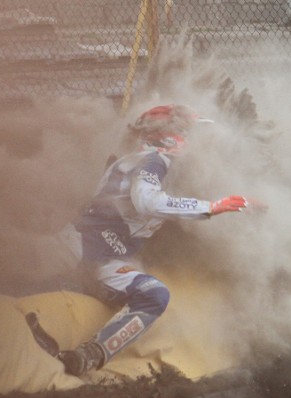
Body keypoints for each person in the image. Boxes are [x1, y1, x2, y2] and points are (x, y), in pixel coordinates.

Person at [57, 104, 249, 376]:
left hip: (104, 259)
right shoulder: (152, 161)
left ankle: (88, 356)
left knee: (154, 294)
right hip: (78, 245)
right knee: (34, 272)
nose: (195, 147)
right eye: (190, 136)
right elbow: (147, 201)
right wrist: (210, 207)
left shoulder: (151, 164)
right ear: (173, 139)